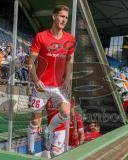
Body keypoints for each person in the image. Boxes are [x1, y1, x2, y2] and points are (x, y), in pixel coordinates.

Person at [27, 4, 75, 154]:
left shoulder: (70, 39)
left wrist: (67, 79)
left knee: (66, 112)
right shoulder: (41, 36)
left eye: (66, 17)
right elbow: (30, 63)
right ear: (54, 16)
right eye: (61, 16)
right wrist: (36, 80)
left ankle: (49, 131)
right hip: (41, 85)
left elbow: (69, 61)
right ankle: (30, 150)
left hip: (59, 86)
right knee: (35, 120)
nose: (64, 20)